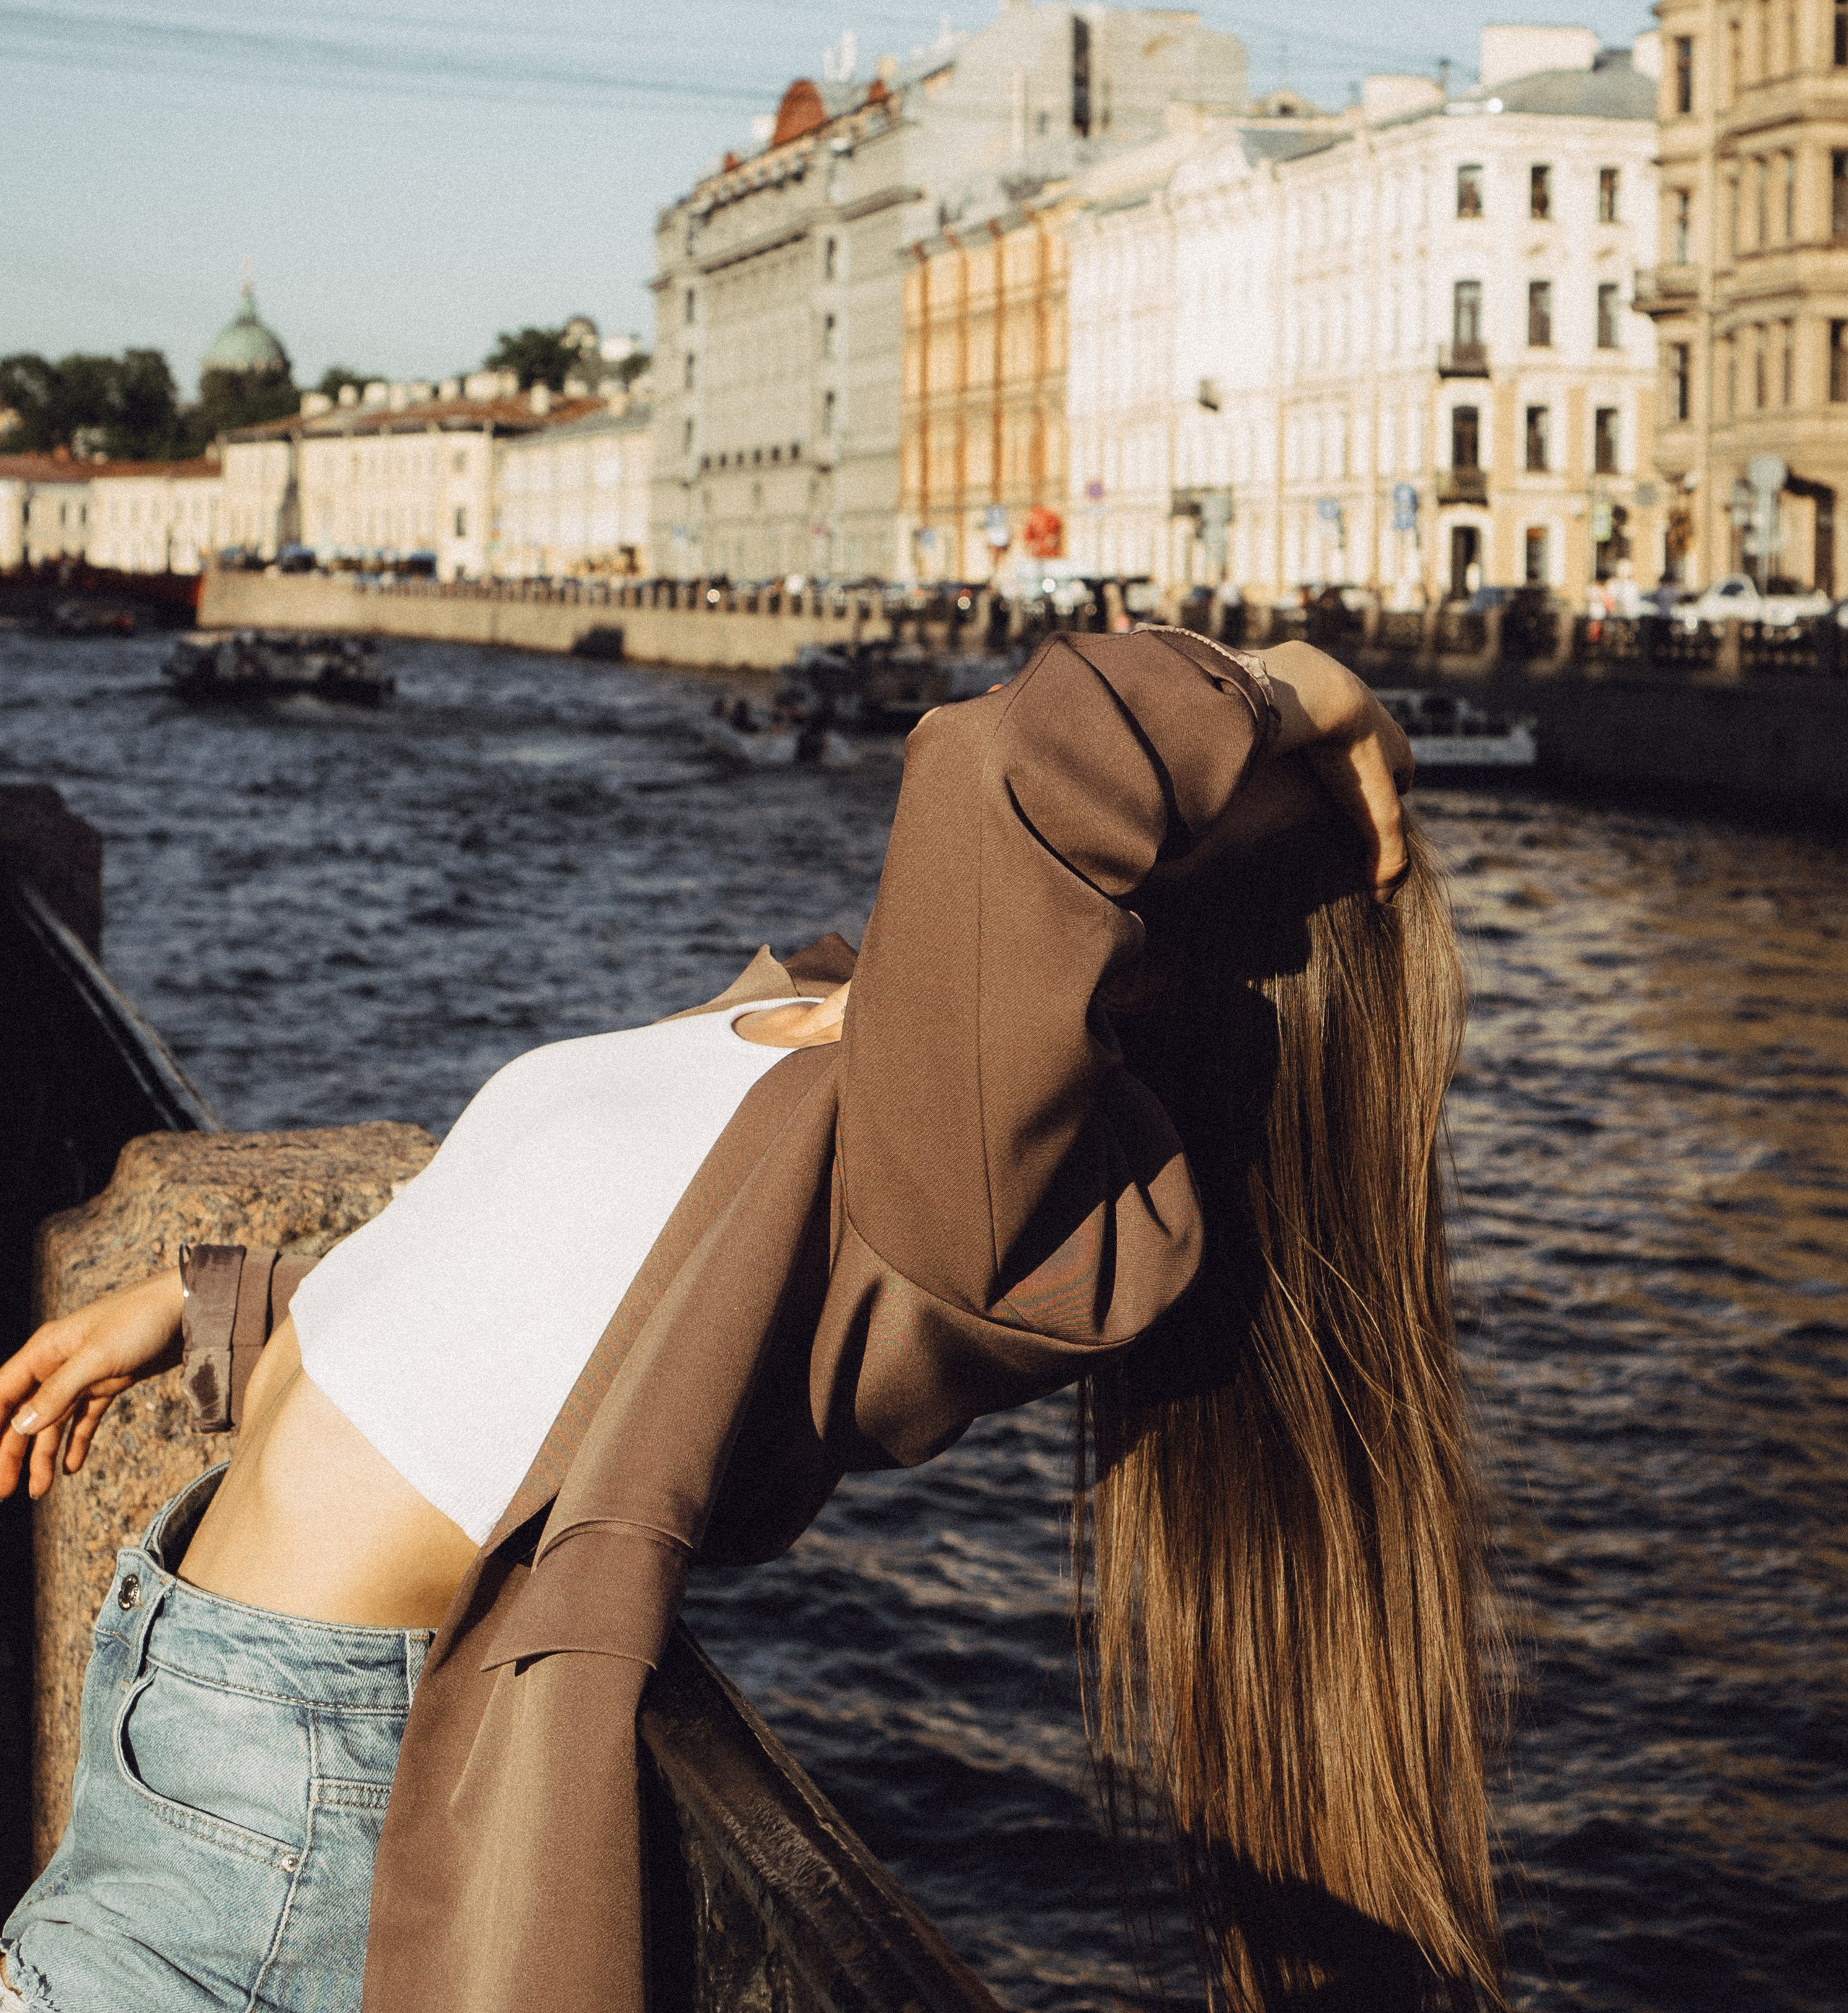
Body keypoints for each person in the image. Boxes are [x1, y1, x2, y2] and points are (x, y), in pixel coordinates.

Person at [0, 628, 1502, 2013]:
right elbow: (519, 1288)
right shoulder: (823, 1016)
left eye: (1235, 776)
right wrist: (219, 1318)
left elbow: (1017, 759)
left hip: (300, 1764)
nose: (1214, 748)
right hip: (185, 1662)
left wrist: (1304, 681)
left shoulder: (997, 1200)